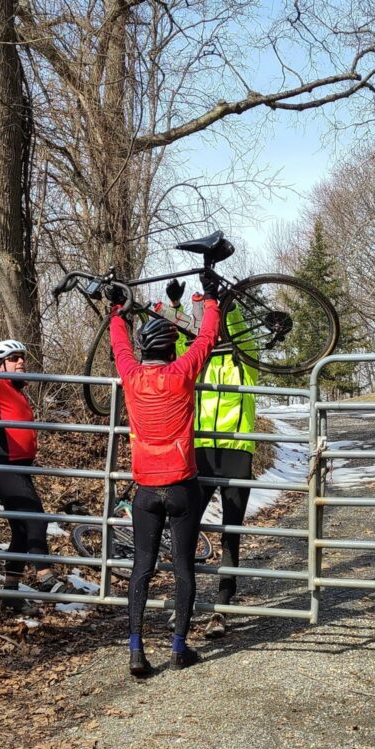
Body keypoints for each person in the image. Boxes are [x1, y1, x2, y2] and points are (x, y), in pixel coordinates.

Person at [108, 273, 221, 676]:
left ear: (144, 351)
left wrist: (116, 310)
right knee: (184, 569)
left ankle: (136, 651)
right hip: (181, 487)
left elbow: (119, 343)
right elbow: (206, 339)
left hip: (145, 490)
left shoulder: (132, 376)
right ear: (172, 349)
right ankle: (178, 648)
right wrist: (210, 300)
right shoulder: (181, 374)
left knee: (142, 568)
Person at [160, 279, 257, 638]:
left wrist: (224, 301)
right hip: (199, 451)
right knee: (185, 529)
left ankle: (222, 609)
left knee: (231, 533)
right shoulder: (198, 359)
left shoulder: (245, 359)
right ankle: (182, 601)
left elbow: (243, 334)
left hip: (236, 451)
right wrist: (176, 303)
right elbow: (183, 334)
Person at [0, 340, 76, 603]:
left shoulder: (17, 391)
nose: (20, 362)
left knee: (20, 530)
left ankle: (10, 593)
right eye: (13, 358)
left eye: (22, 358)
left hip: (18, 467)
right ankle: (45, 578)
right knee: (36, 518)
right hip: (1, 465)